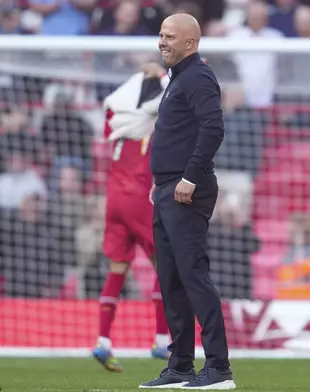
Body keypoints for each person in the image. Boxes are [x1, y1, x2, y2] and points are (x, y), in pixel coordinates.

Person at [139, 14, 235, 390]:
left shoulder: (197, 77)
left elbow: (214, 127)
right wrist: (162, 180)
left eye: (170, 37)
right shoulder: (179, 77)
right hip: (168, 188)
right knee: (172, 280)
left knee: (193, 276)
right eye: (161, 35)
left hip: (186, 189)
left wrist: (189, 177)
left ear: (191, 43)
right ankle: (179, 365)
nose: (162, 42)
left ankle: (218, 369)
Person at [92, 64, 171, 372]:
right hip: (138, 197)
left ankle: (103, 340)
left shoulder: (121, 122)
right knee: (167, 264)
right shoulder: (149, 119)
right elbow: (168, 96)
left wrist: (146, 75)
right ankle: (163, 340)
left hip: (113, 200)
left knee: (117, 270)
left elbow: (123, 96)